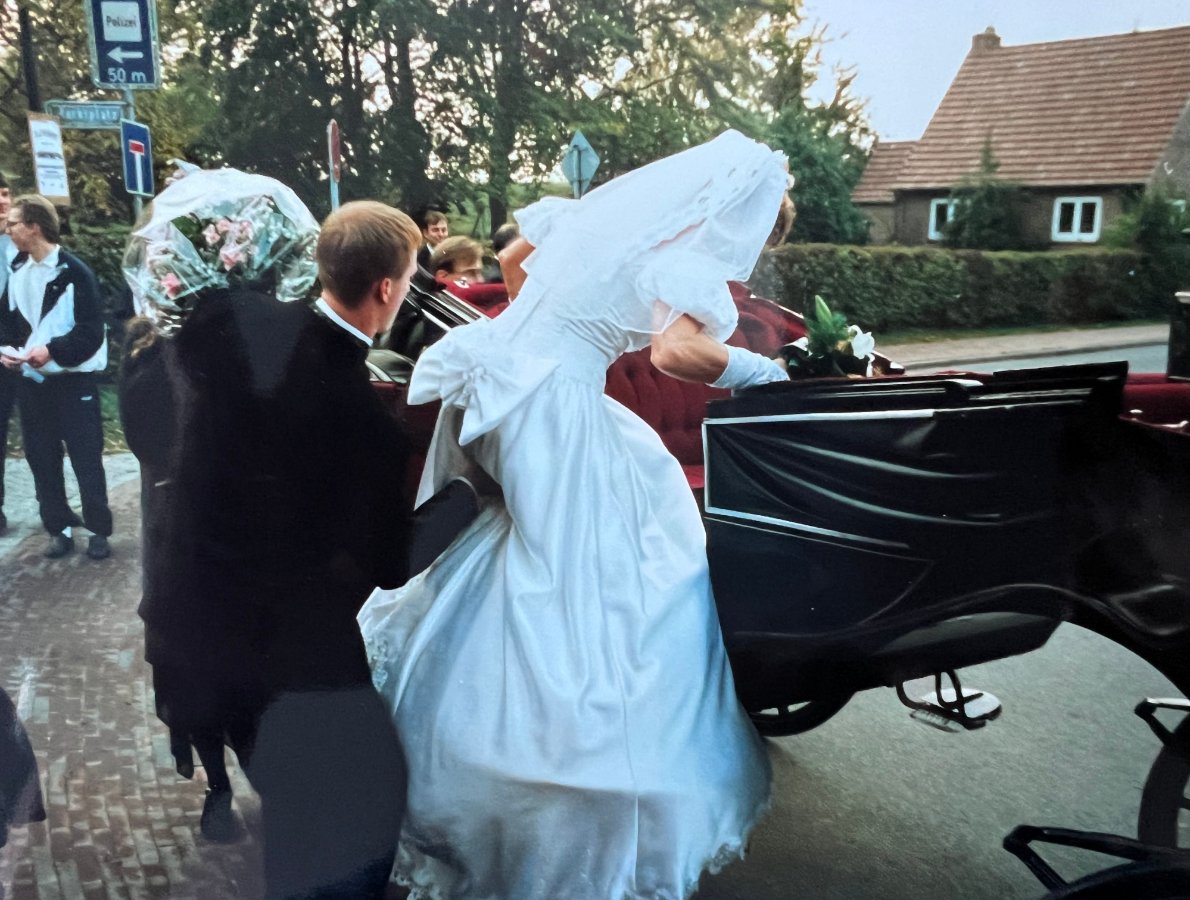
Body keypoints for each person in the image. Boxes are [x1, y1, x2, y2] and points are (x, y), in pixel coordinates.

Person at [358, 129, 791, 899]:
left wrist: (560, 331)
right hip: (550, 408)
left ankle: (433, 730)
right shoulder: (686, 257)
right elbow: (674, 356)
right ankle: (557, 773)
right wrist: (768, 371)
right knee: (591, 576)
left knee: (510, 547)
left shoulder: (596, 222)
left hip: (493, 381)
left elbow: (514, 264)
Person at [121, 174, 419, 898]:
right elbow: (388, 560)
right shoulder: (339, 397)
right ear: (386, 288)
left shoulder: (200, 366)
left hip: (207, 637)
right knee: (356, 822)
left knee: (295, 822)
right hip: (295, 656)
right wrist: (464, 501)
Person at [0, 194, 112, 559]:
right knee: (41, 458)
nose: (8, 229)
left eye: (13, 223)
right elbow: (9, 324)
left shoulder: (76, 272)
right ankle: (58, 529)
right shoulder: (18, 271)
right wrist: (7, 351)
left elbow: (91, 331)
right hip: (32, 384)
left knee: (86, 457)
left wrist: (52, 351)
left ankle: (98, 530)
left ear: (34, 227)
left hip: (74, 382)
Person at [0, 175, 18, 534]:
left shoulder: (22, 239)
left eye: (4, 194)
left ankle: (56, 511)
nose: (2, 201)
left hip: (22, 352)